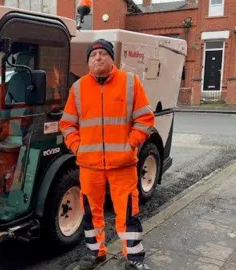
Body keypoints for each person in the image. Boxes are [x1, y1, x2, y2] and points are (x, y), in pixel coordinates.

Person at [60, 39, 154, 270]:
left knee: (127, 212)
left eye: (103, 53)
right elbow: (67, 124)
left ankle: (134, 258)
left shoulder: (130, 82)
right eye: (93, 55)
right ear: (88, 61)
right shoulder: (78, 88)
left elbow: (145, 119)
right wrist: (78, 147)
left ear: (112, 58)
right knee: (91, 212)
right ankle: (96, 253)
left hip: (123, 165)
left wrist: (130, 145)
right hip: (90, 165)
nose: (98, 58)